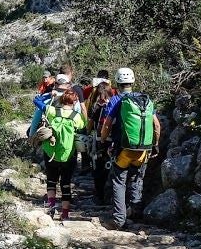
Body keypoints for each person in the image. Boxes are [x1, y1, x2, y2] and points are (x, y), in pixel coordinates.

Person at [98, 67, 160, 228]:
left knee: (119, 181)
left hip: (123, 149)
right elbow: (157, 126)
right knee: (136, 178)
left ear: (117, 82)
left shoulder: (116, 100)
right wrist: (155, 144)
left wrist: (103, 142)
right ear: (133, 81)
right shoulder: (146, 100)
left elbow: (107, 125)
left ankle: (119, 219)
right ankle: (136, 213)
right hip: (143, 149)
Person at [39, 88, 87, 220]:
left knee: (51, 180)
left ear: (62, 99)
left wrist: (50, 94)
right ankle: (64, 214)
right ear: (74, 101)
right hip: (68, 154)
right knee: (66, 183)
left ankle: (51, 207)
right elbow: (84, 126)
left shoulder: (53, 111)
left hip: (51, 152)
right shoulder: (76, 117)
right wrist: (83, 108)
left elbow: (36, 100)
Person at [86, 74, 115, 206]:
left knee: (98, 169)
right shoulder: (117, 105)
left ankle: (99, 196)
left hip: (99, 141)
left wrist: (87, 132)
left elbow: (90, 124)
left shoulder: (99, 107)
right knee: (111, 169)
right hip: (114, 142)